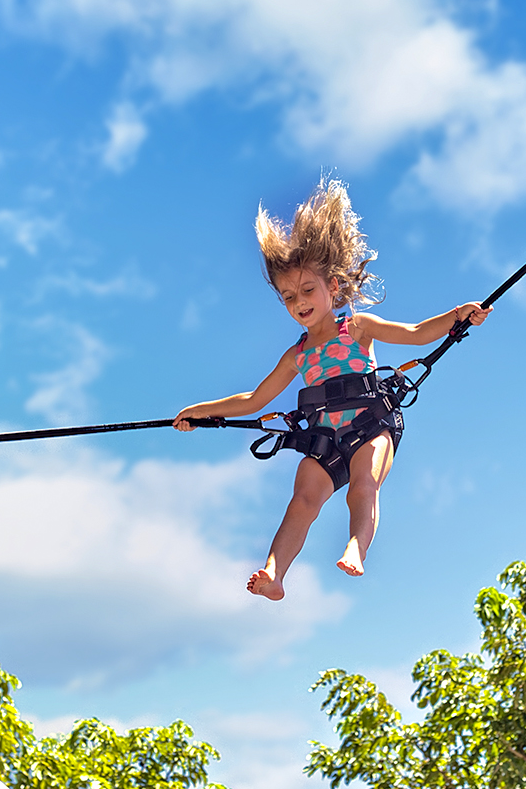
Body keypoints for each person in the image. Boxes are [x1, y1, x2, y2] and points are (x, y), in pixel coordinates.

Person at [174, 178, 490, 600]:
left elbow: (416, 334)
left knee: (364, 484)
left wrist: (457, 316)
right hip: (325, 440)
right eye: (289, 296)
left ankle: (357, 547)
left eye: (308, 290)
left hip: (372, 425)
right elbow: (254, 400)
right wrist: (200, 411)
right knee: (302, 498)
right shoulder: (297, 355)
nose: (299, 302)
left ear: (333, 287)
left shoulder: (356, 327)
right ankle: (274, 575)